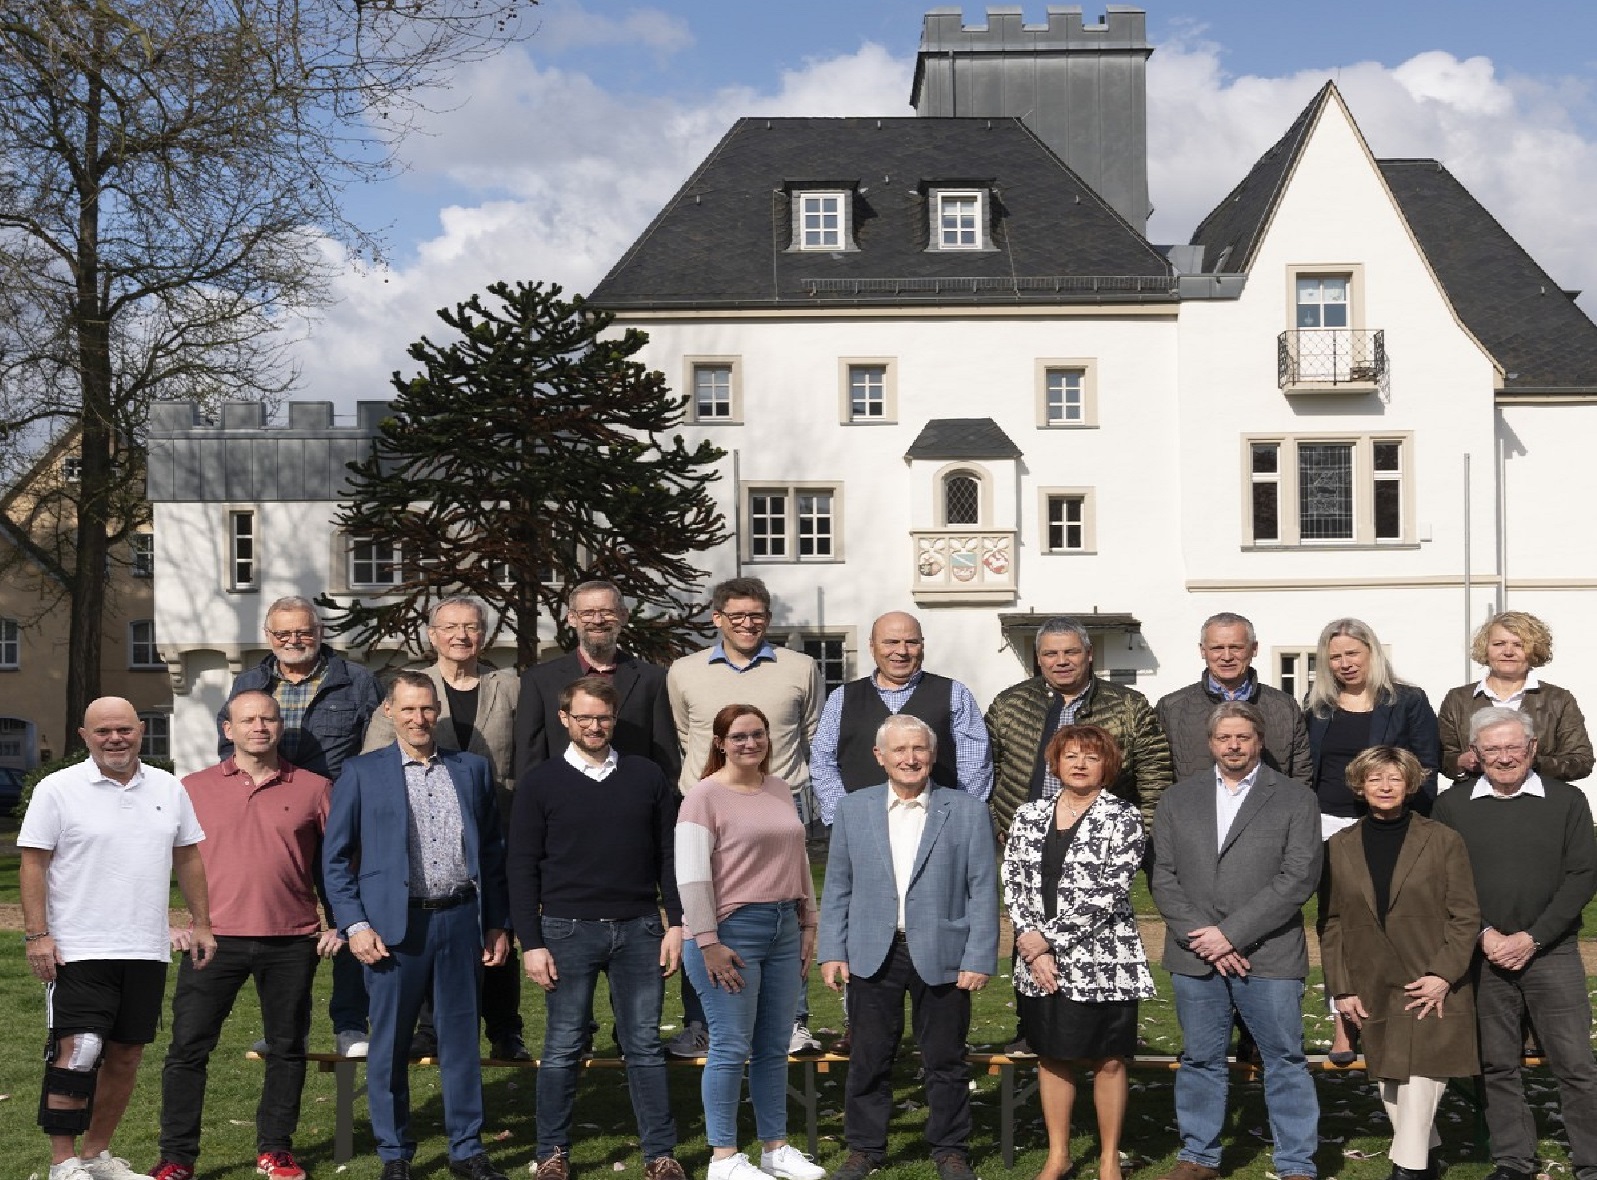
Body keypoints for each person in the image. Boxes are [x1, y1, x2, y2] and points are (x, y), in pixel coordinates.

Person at [322, 670, 511, 1180]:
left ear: (437, 712)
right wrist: (354, 924)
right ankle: (394, 1154)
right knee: (389, 1046)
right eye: (408, 709)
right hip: (391, 930)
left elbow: (492, 852)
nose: (419, 718)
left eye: (427, 709)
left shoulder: (470, 770)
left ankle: (467, 1149)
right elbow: (335, 860)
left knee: (460, 1044)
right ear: (389, 712)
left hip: (459, 922)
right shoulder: (362, 773)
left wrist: (496, 922)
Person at [19, 698, 216, 1180]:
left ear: (141, 731)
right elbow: (33, 862)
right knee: (80, 1051)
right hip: (78, 946)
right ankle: (62, 1163)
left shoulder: (168, 788)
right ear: (84, 736)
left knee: (126, 1054)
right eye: (103, 731)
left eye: (124, 729)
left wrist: (203, 923)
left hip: (145, 948)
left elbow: (187, 856)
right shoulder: (57, 789)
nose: (115, 739)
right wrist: (37, 935)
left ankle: (96, 1155)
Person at [149, 691, 341, 1180]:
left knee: (287, 1048)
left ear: (281, 727)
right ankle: (177, 1158)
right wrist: (163, 921)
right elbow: (148, 860)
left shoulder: (315, 787)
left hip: (292, 940)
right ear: (227, 730)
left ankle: (275, 1149)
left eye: (269, 718)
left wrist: (340, 921)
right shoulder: (190, 788)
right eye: (247, 719)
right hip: (211, 940)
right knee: (188, 1049)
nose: (260, 726)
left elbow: (336, 867)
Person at [509, 676, 687, 1180]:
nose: (594, 726)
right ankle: (551, 1154)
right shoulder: (540, 783)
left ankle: (660, 1155)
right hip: (566, 931)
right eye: (583, 717)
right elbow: (521, 866)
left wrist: (675, 921)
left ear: (615, 719)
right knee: (563, 1044)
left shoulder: (646, 776)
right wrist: (532, 943)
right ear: (564, 718)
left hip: (639, 929)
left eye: (603, 717)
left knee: (644, 1045)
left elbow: (668, 856)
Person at [819, 715, 999, 1180]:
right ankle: (864, 1148)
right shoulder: (854, 810)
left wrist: (979, 956)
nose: (910, 758)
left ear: (933, 754)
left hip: (943, 951)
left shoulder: (967, 811)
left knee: (945, 1058)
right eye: (899, 750)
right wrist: (831, 950)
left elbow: (983, 890)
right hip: (872, 950)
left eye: (919, 749)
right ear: (880, 757)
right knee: (869, 1057)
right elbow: (837, 886)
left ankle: (950, 1148)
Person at [1150, 701, 1323, 1180]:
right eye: (1224, 737)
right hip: (1195, 956)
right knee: (1201, 1058)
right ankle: (1198, 1157)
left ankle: (1296, 1163)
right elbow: (1163, 876)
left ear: (1259, 740)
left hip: (1266, 954)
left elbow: (1298, 877)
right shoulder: (1177, 799)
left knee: (1284, 1059)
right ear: (1210, 743)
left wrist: (1230, 934)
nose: (1233, 745)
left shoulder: (1293, 798)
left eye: (1242, 737)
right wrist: (1202, 937)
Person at [1432, 707, 1597, 1180]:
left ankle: (1590, 1162)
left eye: (1512, 747)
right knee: (1497, 1065)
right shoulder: (1453, 805)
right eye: (1492, 749)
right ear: (1476, 754)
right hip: (1483, 953)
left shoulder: (1567, 800)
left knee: (1575, 1064)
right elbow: (1447, 882)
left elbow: (1583, 875)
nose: (1503, 757)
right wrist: (1485, 934)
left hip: (1553, 951)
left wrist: (1534, 936)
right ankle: (1513, 1162)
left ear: (1532, 749)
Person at [365, 596, 528, 1062]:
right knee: (432, 927)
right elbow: (375, 755)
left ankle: (505, 1028)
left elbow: (525, 753)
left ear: (484, 635)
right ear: (433, 634)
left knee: (498, 927)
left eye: (472, 627)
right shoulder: (407, 689)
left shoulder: (509, 686)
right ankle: (431, 1029)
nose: (461, 635)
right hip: (423, 828)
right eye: (451, 627)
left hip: (497, 824)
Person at [220, 595, 382, 1058]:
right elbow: (227, 746)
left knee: (351, 918)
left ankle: (351, 1025)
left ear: (320, 632)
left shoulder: (356, 681)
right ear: (269, 637)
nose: (294, 640)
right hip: (276, 823)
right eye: (282, 633)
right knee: (286, 931)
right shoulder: (250, 682)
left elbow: (377, 749)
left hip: (342, 820)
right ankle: (288, 1028)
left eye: (303, 632)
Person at [668, 577, 825, 1054]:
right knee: (705, 910)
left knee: (784, 911)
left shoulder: (801, 667)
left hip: (780, 801)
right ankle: (702, 1020)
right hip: (710, 804)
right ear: (717, 619)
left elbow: (811, 732)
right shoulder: (683, 671)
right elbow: (686, 733)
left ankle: (791, 1019)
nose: (747, 624)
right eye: (736, 615)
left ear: (768, 618)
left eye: (756, 614)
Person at [675, 704, 824, 1180]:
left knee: (773, 1045)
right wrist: (707, 941)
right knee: (730, 1044)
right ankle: (723, 1159)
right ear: (720, 742)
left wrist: (808, 923)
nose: (750, 743)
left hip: (784, 924)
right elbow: (692, 877)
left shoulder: (781, 788)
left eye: (757, 735)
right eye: (738, 736)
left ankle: (774, 1148)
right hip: (729, 931)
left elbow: (798, 858)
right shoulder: (703, 796)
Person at [1321, 746, 1481, 1180]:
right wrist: (1341, 989)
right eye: (1375, 779)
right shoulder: (1339, 845)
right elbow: (1331, 922)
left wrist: (1443, 975)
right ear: (1360, 786)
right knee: (1391, 1080)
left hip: (1429, 978)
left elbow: (1465, 916)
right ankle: (1427, 1161)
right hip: (1370, 980)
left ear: (1410, 785)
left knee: (1422, 1074)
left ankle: (1408, 1169)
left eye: (1394, 778)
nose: (1385, 787)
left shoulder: (1444, 840)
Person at [1003, 725, 1155, 1180]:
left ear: (1107, 765)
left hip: (1103, 959)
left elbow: (1110, 891)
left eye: (1091, 756)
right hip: (1038, 960)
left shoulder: (1124, 817)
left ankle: (1109, 1160)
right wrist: (1034, 946)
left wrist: (1049, 938)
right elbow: (1014, 880)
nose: (1081, 764)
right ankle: (1059, 1156)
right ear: (1056, 763)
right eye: (1071, 755)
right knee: (1052, 1055)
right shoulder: (1029, 814)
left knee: (1108, 1059)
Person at [1304, 617, 1440, 1060]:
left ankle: (1392, 1010)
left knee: (1388, 915)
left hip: (1386, 822)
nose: (1344, 664)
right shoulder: (1318, 706)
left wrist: (1400, 815)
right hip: (1328, 823)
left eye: (1352, 654)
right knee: (1336, 919)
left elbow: (1426, 765)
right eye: (1335, 657)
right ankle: (1343, 1016)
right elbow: (1306, 769)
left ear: (1372, 653)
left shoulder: (1408, 701)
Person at [986, 615, 1172, 839]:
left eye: (1071, 652)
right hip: (1026, 840)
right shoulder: (1009, 704)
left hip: (1102, 843)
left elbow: (1155, 777)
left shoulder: (1129, 706)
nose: (1061, 661)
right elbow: (986, 770)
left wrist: (1138, 834)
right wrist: (997, 823)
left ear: (1089, 653)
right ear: (1039, 658)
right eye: (1050, 654)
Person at [810, 610, 992, 825]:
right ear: (872, 646)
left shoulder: (955, 694)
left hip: (938, 825)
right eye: (891, 642)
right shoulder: (841, 698)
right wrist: (844, 818)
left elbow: (975, 766)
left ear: (922, 646)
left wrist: (958, 818)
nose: (901, 651)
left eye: (911, 642)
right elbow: (822, 763)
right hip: (862, 825)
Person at [514, 579, 681, 782]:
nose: (598, 620)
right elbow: (529, 759)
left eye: (607, 612)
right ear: (572, 618)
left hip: (631, 801)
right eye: (587, 613)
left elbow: (665, 757)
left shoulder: (651, 680)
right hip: (562, 802)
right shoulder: (539, 681)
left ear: (623, 616)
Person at [1437, 610, 1593, 785]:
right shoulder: (1458, 699)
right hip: (1474, 800)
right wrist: (1460, 762)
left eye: (1519, 645)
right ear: (1485, 648)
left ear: (1534, 650)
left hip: (1540, 800)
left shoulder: (1558, 699)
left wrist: (1532, 761)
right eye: (1499, 644)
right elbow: (1439, 757)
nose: (1508, 652)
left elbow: (1582, 761)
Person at [1156, 612, 1310, 783]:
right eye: (1217, 648)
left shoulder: (1285, 707)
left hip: (1271, 808)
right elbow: (1158, 777)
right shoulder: (1172, 709)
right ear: (1203, 651)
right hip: (1194, 809)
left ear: (1254, 649)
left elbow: (1301, 776)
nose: (1227, 657)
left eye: (1236, 647)